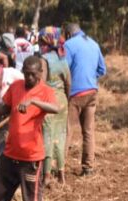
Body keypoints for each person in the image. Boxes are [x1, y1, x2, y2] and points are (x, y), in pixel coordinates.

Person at [0, 56, 59, 201]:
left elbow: (56, 108)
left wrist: (33, 101)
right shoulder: (16, 86)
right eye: (26, 74)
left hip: (31, 153)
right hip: (11, 150)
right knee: (0, 186)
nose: (29, 78)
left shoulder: (45, 91)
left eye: (32, 74)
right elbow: (5, 108)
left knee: (31, 191)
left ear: (40, 73)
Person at [64, 23, 106, 176]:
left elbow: (64, 68)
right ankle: (88, 167)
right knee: (88, 131)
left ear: (68, 34)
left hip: (75, 94)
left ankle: (59, 167)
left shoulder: (68, 45)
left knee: (67, 130)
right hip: (92, 92)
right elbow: (102, 69)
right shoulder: (94, 44)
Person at [38, 27, 71, 186]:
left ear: (46, 41)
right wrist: (67, 100)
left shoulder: (43, 59)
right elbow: (68, 82)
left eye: (41, 41)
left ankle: (47, 175)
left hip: (49, 101)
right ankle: (62, 174)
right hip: (62, 100)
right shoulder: (62, 58)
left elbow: (42, 84)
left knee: (47, 137)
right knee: (61, 136)